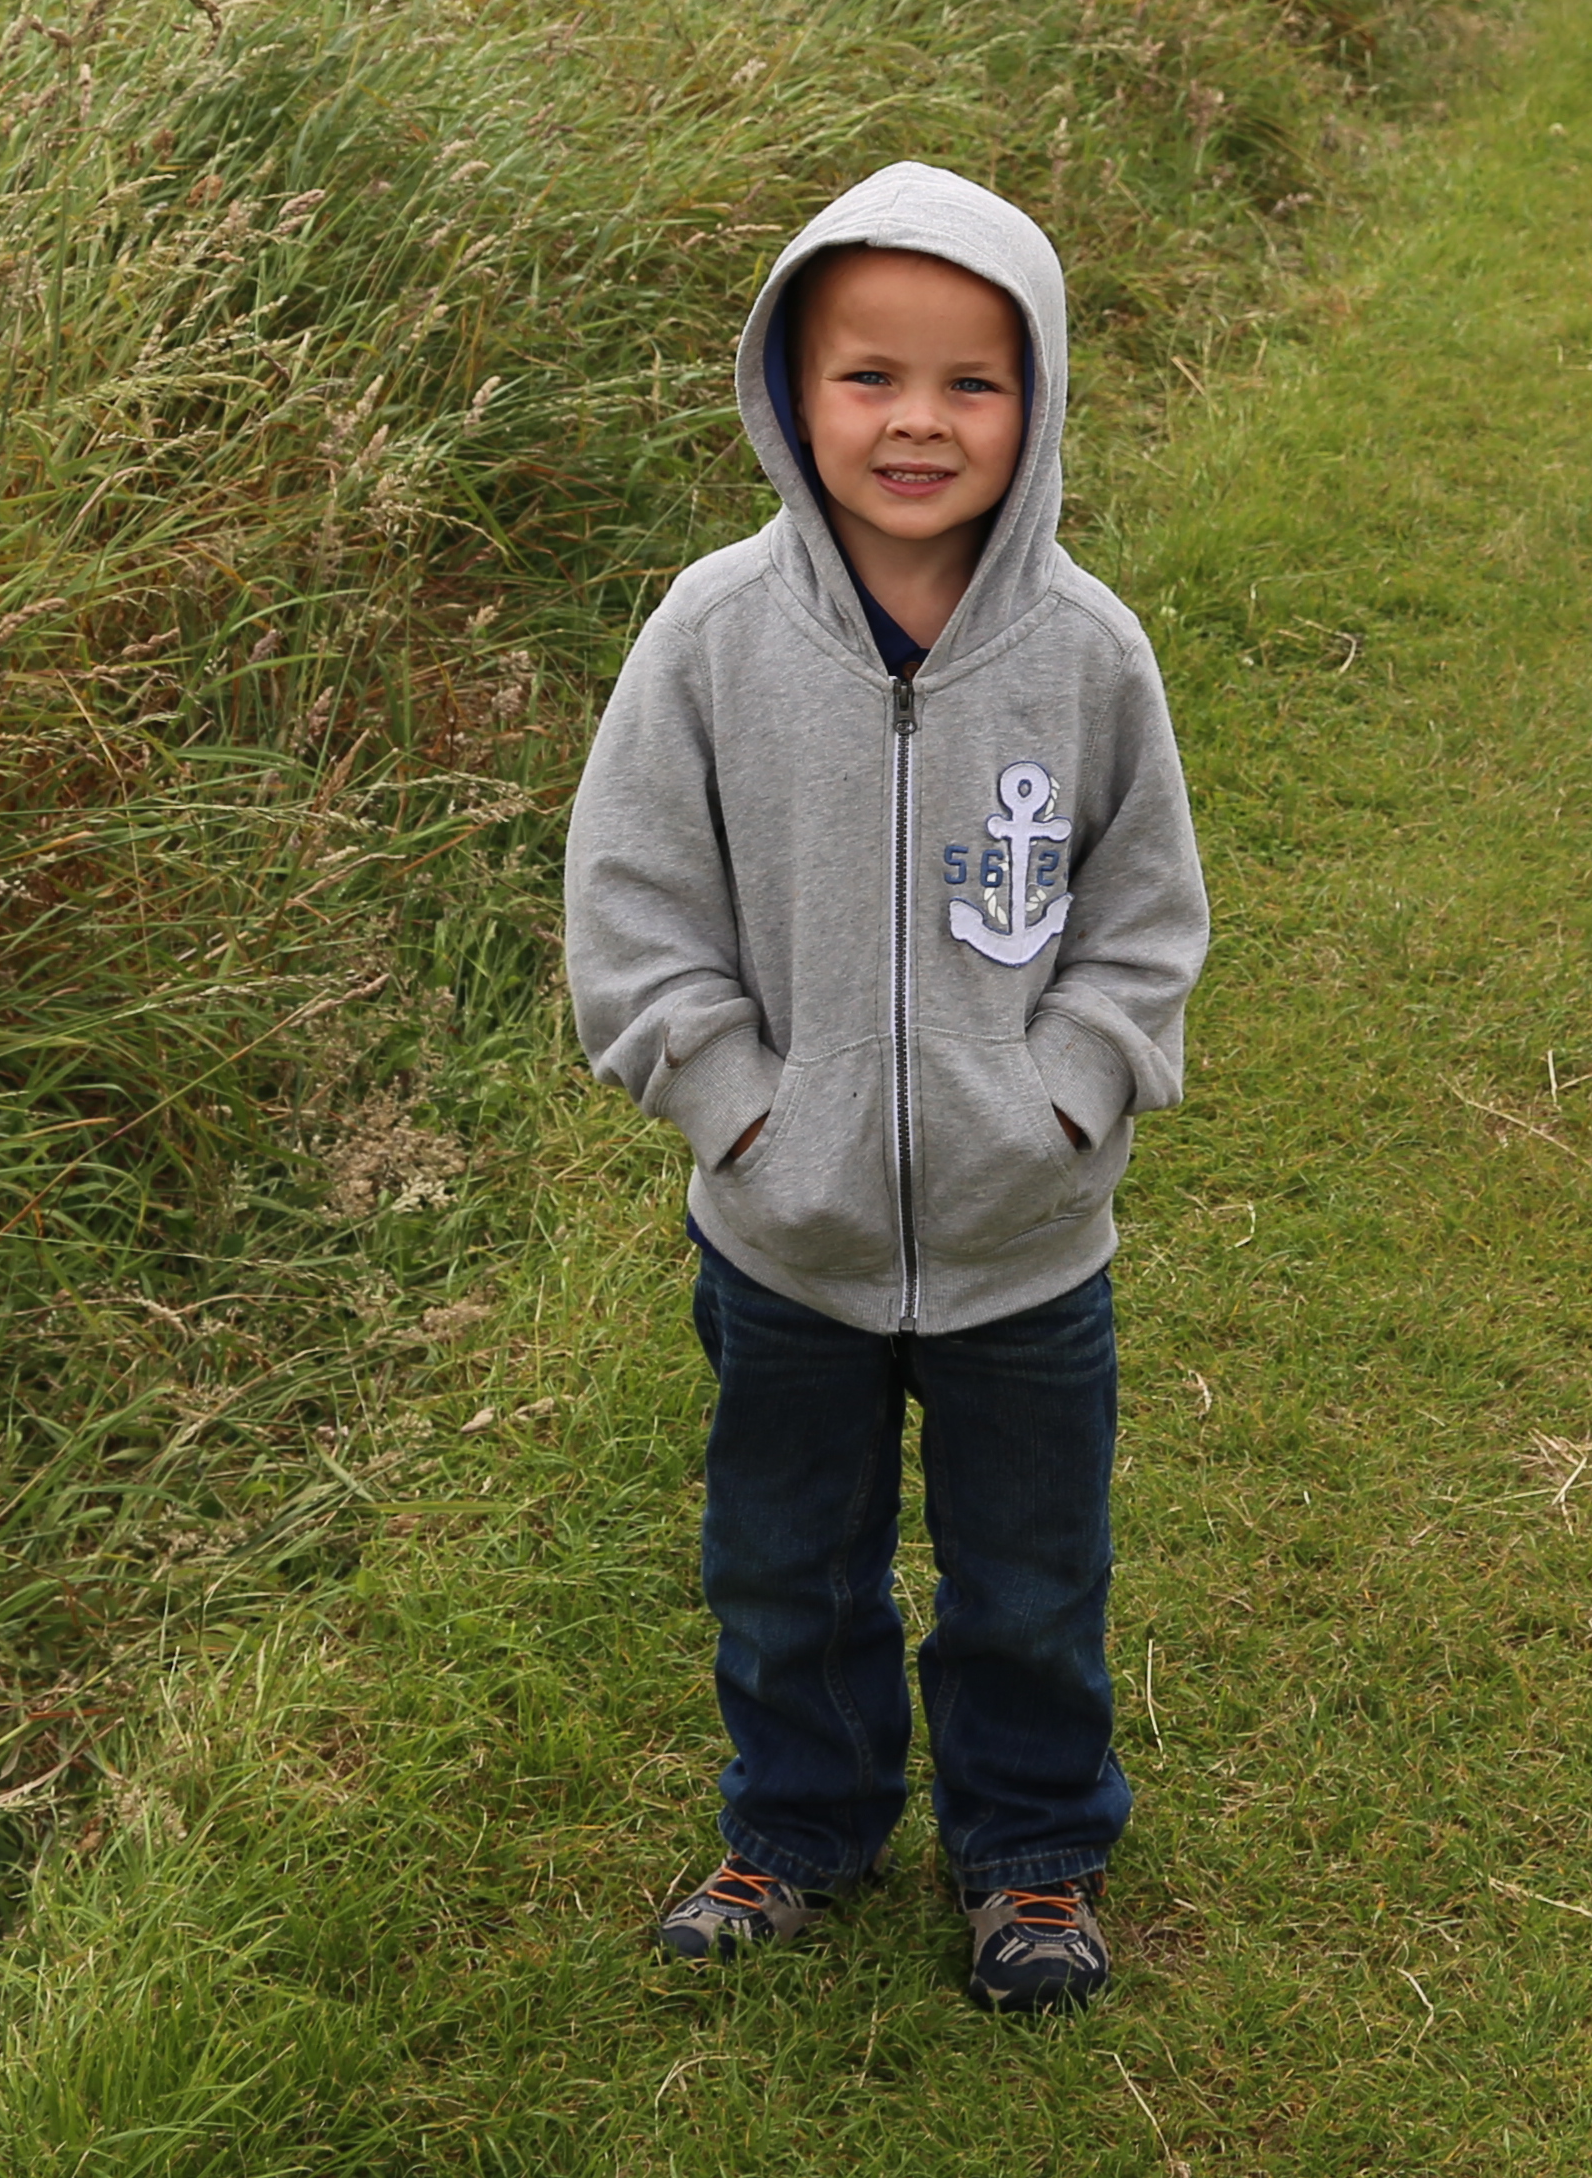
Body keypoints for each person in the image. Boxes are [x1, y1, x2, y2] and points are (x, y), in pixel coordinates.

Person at [563, 160, 1206, 2014]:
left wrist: (1068, 1098)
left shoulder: (1087, 656)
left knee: (1027, 1575)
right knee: (784, 1564)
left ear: (1040, 399)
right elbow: (633, 907)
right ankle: (800, 1827)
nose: (919, 422)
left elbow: (1145, 924)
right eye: (869, 376)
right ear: (787, 387)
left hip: (1028, 1247)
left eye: (971, 383)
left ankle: (1031, 1859)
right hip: (785, 1237)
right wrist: (740, 1106)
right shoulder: (710, 638)